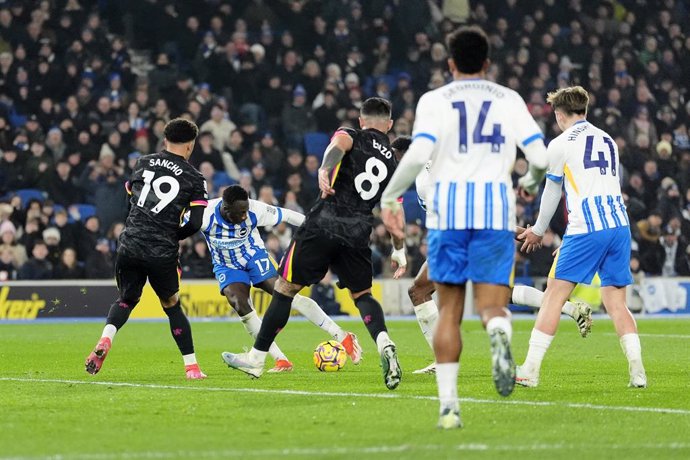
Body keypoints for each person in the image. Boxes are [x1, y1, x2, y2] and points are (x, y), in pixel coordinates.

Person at [380, 26, 548, 429]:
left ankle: (450, 408)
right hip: (494, 213)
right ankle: (501, 336)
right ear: (487, 63)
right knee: (493, 305)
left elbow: (418, 151)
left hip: (449, 217)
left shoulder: (434, 100)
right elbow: (539, 156)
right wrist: (528, 183)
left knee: (450, 312)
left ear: (450, 62)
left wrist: (390, 199)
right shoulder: (508, 99)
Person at [221, 98, 405, 390]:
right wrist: (399, 248)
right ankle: (384, 342)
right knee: (363, 296)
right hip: (357, 231)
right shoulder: (393, 164)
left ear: (361, 120)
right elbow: (393, 210)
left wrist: (324, 168)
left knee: (284, 289)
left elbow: (339, 145)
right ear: (390, 125)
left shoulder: (352, 134)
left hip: (324, 222)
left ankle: (257, 359)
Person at [390, 137, 593, 377]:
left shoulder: (428, 176)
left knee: (420, 292)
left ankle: (443, 358)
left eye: (395, 159)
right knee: (498, 293)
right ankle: (570, 309)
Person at [516, 86, 647, 389]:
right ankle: (637, 370)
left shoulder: (560, 143)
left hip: (586, 226)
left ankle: (530, 370)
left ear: (559, 115)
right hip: (619, 225)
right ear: (585, 111)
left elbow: (552, 191)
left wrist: (537, 230)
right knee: (616, 302)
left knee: (553, 295)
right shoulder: (608, 140)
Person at [85, 118, 209, 380]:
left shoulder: (142, 162)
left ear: (165, 140)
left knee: (126, 299)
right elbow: (196, 223)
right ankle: (192, 367)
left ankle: (106, 339)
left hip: (129, 242)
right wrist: (171, 236)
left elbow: (129, 202)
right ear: (191, 146)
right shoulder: (195, 178)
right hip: (160, 250)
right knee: (172, 305)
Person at [201, 185, 362, 372]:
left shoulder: (255, 209)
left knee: (288, 295)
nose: (245, 216)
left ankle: (342, 336)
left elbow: (287, 215)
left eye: (246, 211)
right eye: (240, 213)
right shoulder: (205, 215)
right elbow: (178, 228)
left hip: (254, 256)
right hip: (226, 265)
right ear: (226, 209)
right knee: (240, 305)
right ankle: (281, 360)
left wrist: (318, 231)